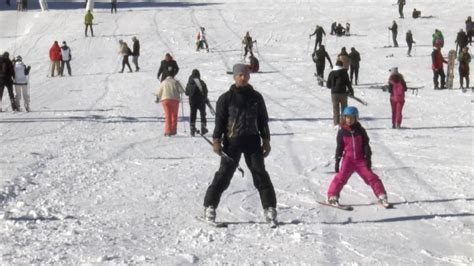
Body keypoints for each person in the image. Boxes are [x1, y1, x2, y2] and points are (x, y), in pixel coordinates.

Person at [202, 63, 277, 225]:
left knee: (260, 173)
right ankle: (209, 207)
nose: (243, 77)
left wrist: (266, 139)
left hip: (252, 140)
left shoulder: (256, 97)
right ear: (235, 77)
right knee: (224, 175)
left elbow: (263, 120)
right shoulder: (225, 98)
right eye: (240, 75)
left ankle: (270, 209)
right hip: (232, 142)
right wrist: (216, 140)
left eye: (245, 75)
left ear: (249, 76)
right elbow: (220, 122)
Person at [326, 106, 390, 207]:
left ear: (356, 118)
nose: (349, 120)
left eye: (351, 118)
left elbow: (366, 145)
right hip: (348, 160)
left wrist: (368, 159)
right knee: (340, 178)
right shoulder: (342, 132)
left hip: (360, 161)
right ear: (344, 118)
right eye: (347, 117)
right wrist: (338, 160)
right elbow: (339, 147)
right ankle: (332, 196)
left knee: (371, 177)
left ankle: (382, 195)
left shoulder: (361, 131)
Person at [326, 60, 354, 127]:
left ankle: (336, 124)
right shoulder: (344, 73)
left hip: (334, 94)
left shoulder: (331, 73)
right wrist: (351, 91)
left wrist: (333, 86)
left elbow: (328, 85)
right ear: (341, 66)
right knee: (344, 109)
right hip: (343, 93)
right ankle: (344, 123)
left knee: (336, 109)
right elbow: (348, 83)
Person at [185, 69, 208, 136]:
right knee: (202, 114)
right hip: (201, 101)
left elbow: (186, 93)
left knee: (193, 114)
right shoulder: (202, 82)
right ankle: (203, 128)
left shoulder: (189, 83)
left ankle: (192, 129)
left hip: (192, 102)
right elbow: (205, 92)